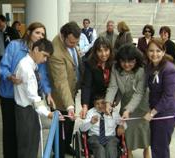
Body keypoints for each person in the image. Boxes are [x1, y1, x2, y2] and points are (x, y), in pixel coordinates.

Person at [0, 22, 53, 158]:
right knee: (11, 132)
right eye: (37, 32)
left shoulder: (39, 53)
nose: (40, 36)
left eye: (43, 34)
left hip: (27, 99)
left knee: (26, 134)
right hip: (9, 95)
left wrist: (48, 92)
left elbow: (42, 75)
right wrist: (10, 77)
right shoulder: (15, 46)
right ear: (28, 32)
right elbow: (3, 67)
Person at [105, 44, 150, 158]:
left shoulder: (141, 70)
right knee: (127, 128)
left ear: (136, 60)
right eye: (123, 61)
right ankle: (128, 151)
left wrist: (129, 110)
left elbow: (139, 93)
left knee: (143, 128)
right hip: (126, 102)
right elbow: (113, 87)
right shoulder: (115, 68)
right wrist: (108, 102)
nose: (126, 64)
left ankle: (146, 149)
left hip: (141, 103)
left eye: (130, 61)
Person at [13, 38, 57, 158]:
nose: (45, 60)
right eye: (44, 56)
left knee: (30, 144)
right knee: (28, 146)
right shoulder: (27, 69)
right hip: (26, 111)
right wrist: (48, 114)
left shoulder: (28, 63)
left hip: (26, 109)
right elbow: (34, 97)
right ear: (36, 49)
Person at [47, 21, 82, 157]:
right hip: (60, 98)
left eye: (76, 42)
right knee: (61, 129)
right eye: (72, 43)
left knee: (70, 125)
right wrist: (69, 105)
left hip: (71, 92)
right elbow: (61, 81)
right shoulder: (55, 52)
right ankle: (58, 152)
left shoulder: (70, 42)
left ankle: (66, 146)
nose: (74, 45)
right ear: (63, 35)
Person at [144, 39, 175, 158]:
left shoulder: (169, 69)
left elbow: (168, 97)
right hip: (155, 112)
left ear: (163, 51)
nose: (154, 54)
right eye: (151, 51)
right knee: (155, 145)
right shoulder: (150, 66)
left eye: (158, 51)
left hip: (165, 114)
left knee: (160, 148)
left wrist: (152, 113)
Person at [80, 36, 114, 119]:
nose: (103, 54)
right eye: (100, 51)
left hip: (109, 100)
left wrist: (113, 100)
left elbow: (115, 84)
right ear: (95, 52)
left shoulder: (114, 63)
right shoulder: (89, 64)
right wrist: (85, 105)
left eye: (106, 50)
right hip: (94, 100)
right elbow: (86, 86)